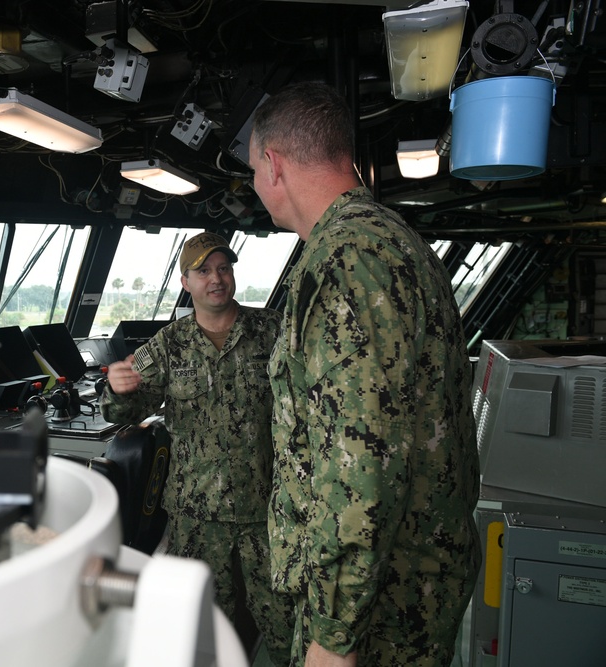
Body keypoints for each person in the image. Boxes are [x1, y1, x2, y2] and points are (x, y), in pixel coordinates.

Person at [248, 81, 481, 667]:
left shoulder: (345, 263)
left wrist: (333, 633)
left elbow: (361, 465)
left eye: (253, 169)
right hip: (410, 582)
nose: (254, 186)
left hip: (380, 610)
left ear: (273, 164)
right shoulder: (396, 243)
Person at [99, 232, 292, 663]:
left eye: (223, 268)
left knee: (287, 626)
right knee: (201, 629)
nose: (216, 278)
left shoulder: (274, 330)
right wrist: (117, 388)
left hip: (269, 509)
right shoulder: (167, 345)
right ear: (186, 283)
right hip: (197, 514)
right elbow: (125, 412)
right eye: (203, 271)